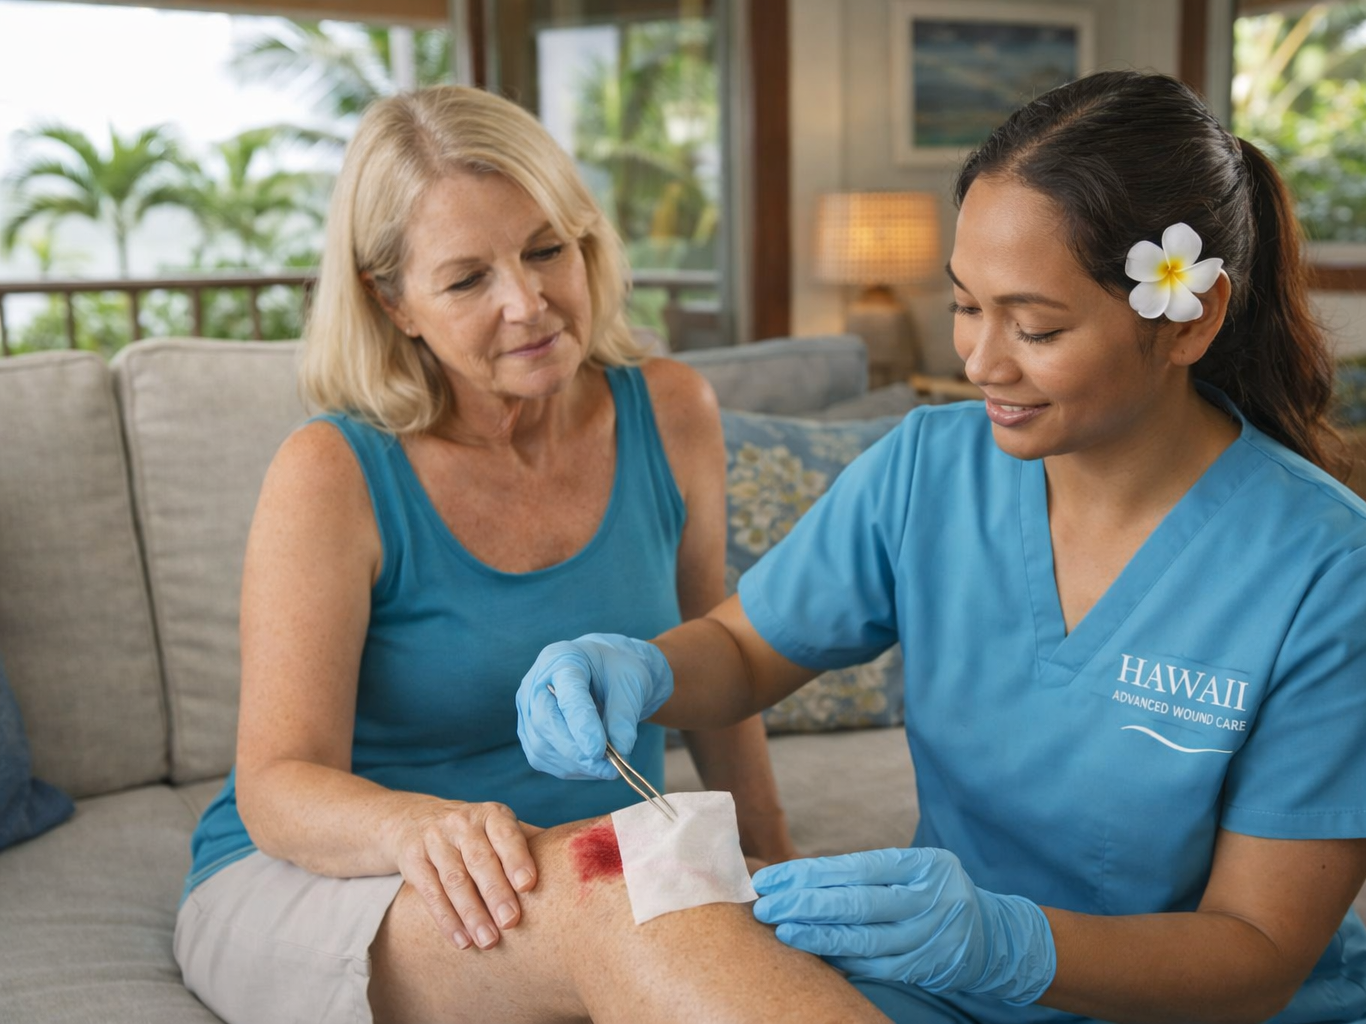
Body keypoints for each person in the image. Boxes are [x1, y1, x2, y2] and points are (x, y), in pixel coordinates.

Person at [517, 70, 1366, 1024]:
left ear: (1195, 317)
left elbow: (1257, 954)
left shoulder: (1335, 577)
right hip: (950, 995)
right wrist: (636, 667)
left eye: (1037, 325)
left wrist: (1008, 942)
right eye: (967, 306)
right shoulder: (929, 469)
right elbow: (741, 651)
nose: (980, 361)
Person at [172, 85, 896, 1024]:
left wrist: (770, 848)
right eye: (468, 279)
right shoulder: (333, 471)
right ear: (394, 302)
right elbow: (277, 786)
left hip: (585, 861)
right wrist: (416, 825)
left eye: (547, 250)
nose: (528, 302)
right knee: (624, 905)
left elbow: (710, 650)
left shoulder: (672, 410)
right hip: (334, 878)